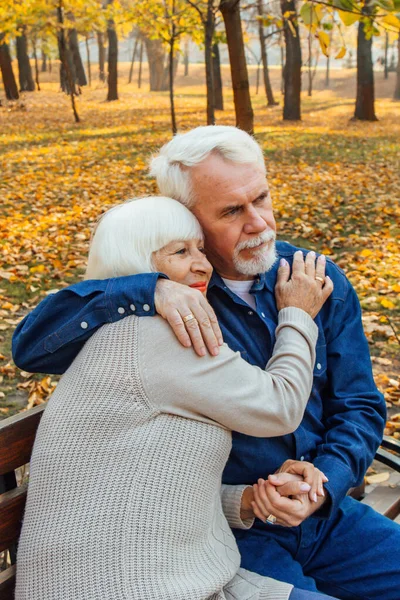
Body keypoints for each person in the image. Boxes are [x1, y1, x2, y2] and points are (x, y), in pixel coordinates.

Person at [12, 126, 399, 599]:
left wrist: (327, 479)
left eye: (262, 198)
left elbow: (359, 403)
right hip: (230, 531)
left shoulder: (313, 278)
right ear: (189, 218)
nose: (258, 223)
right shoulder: (170, 300)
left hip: (325, 514)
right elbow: (32, 347)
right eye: (233, 211)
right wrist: (144, 289)